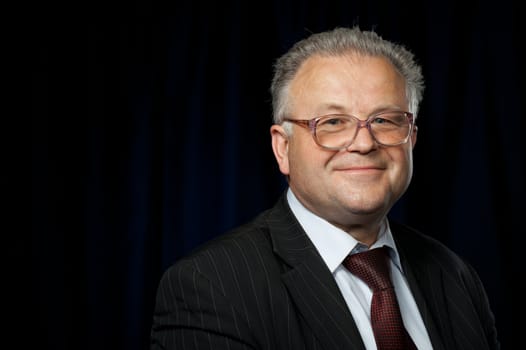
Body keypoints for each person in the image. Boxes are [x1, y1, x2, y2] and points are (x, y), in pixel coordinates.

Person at [150, 26, 500, 349]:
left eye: (384, 120)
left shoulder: (455, 276)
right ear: (282, 148)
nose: (364, 143)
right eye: (332, 122)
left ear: (411, 139)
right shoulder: (212, 286)